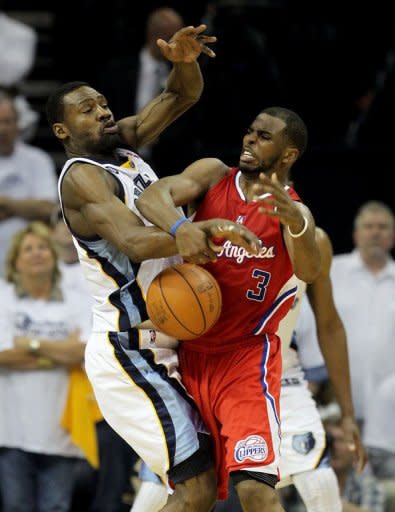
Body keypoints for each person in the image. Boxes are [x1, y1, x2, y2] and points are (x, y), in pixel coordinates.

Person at [47, 24, 262, 512]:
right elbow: (134, 241)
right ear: (62, 131)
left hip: (166, 343)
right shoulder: (82, 179)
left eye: (102, 103)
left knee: (198, 486)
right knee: (195, 486)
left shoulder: (122, 144)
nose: (102, 111)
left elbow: (178, 95)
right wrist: (194, 233)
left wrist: (185, 62)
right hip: (127, 350)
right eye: (87, 109)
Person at [136, 106, 321, 511]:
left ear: (289, 154)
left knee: (255, 490)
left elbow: (309, 268)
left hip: (245, 360)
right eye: (250, 131)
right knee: (189, 495)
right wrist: (182, 228)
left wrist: (297, 224)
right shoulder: (213, 175)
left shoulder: (294, 213)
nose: (250, 140)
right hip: (185, 356)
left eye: (264, 136)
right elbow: (152, 197)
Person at [0, 221, 90, 512]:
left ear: (53, 255)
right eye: (28, 249)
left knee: (57, 507)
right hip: (11, 432)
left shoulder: (77, 301)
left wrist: (31, 344)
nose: (36, 253)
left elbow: (84, 352)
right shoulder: (4, 298)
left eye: (42, 247)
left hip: (62, 431)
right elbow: (3, 356)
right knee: (16, 507)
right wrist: (59, 353)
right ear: (15, 260)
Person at [0, 91, 58, 276]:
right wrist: (24, 207)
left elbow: (48, 209)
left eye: (7, 121)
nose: (2, 129)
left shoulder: (37, 160)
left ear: (18, 124)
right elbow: (37, 207)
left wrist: (4, 203)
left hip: (29, 265)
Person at [326, 422, 385, 512]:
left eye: (341, 440)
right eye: (330, 441)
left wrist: (332, 505)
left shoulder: (368, 484)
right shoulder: (308, 481)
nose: (335, 447)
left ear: (356, 451)